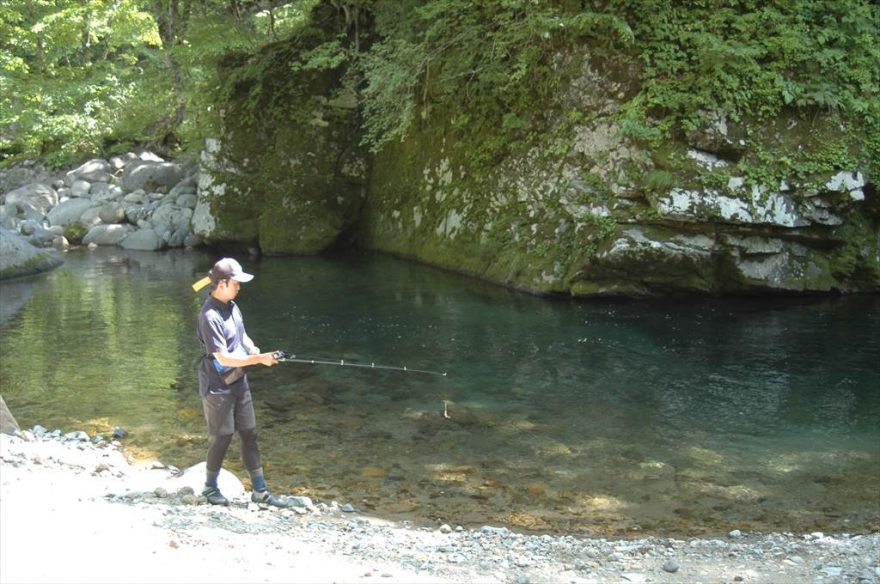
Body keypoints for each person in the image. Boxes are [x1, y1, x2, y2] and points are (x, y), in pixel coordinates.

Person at [195, 257, 288, 507]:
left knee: (249, 433)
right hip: (217, 385)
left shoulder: (232, 306)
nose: (239, 287)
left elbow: (241, 333)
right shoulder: (209, 315)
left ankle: (260, 491)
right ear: (223, 283)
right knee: (222, 436)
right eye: (236, 283)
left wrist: (251, 346)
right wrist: (258, 359)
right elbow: (222, 357)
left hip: (238, 380)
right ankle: (209, 488)